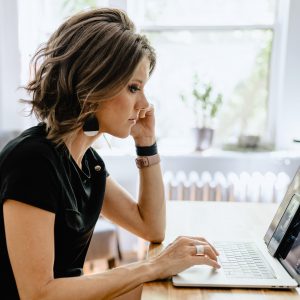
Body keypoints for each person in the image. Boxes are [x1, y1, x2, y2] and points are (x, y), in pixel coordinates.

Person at [0, 7, 220, 300]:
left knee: (179, 291)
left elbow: (151, 227)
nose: (144, 104)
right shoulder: (32, 161)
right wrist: (151, 266)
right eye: (133, 88)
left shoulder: (88, 164)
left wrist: (146, 143)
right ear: (93, 84)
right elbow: (39, 294)